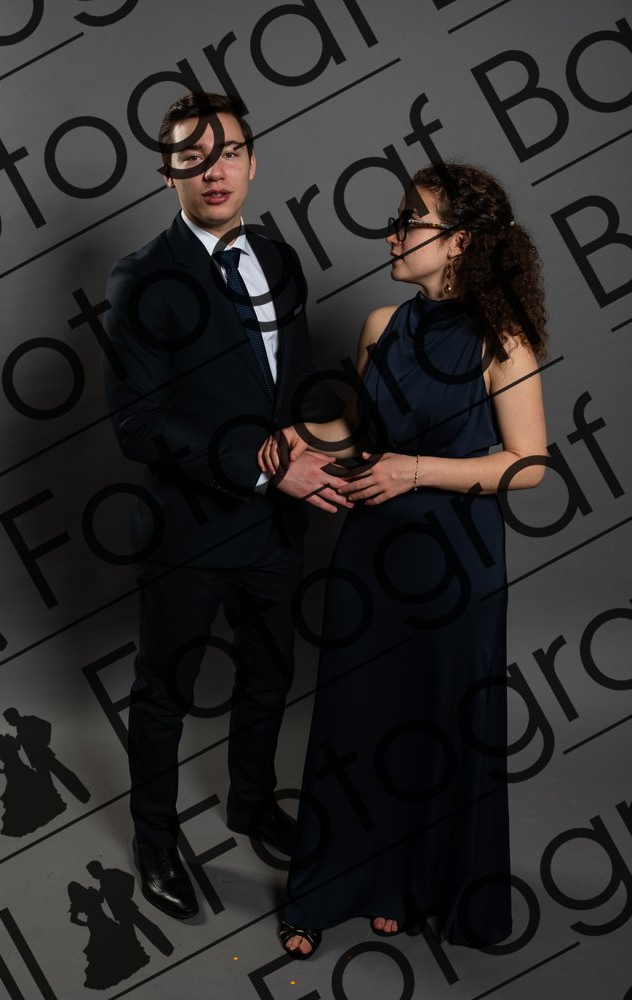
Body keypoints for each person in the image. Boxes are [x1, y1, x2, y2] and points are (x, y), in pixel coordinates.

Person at [257, 162, 548, 956]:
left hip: (455, 566)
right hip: (370, 557)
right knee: (358, 721)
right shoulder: (381, 324)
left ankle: (410, 885)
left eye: (409, 220)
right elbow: (361, 432)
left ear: (459, 243)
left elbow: (527, 464)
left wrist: (415, 471)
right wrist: (294, 440)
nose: (392, 233)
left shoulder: (502, 339)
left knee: (432, 728)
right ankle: (337, 887)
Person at [103, 91, 350, 921]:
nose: (214, 170)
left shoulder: (279, 259)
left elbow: (292, 386)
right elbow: (139, 424)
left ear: (253, 162)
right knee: (164, 691)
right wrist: (269, 470)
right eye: (193, 156)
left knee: (270, 673)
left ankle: (251, 802)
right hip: (188, 531)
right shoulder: (141, 278)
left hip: (276, 530)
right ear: (168, 172)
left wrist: (322, 449)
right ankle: (154, 839)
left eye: (230, 152)